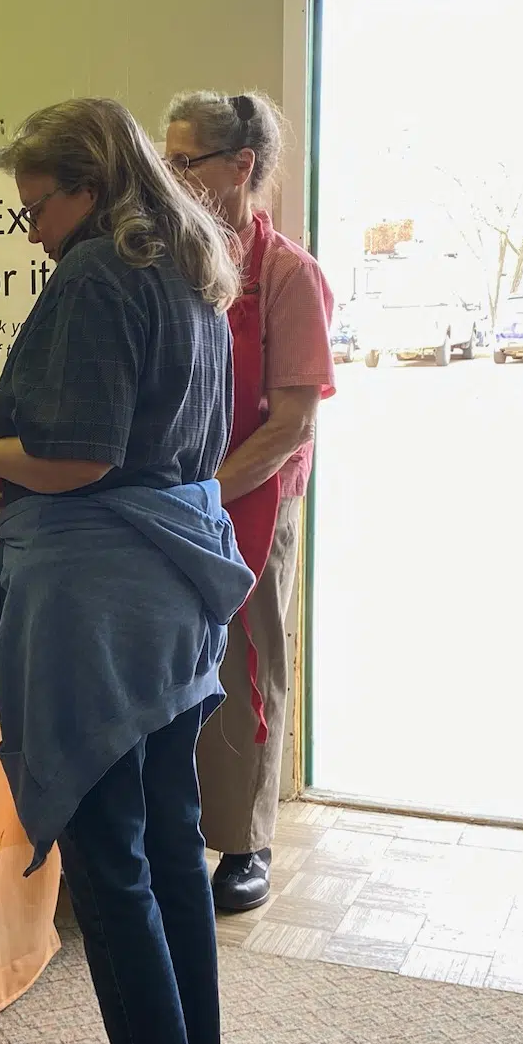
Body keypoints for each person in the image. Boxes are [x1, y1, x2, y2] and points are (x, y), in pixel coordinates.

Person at [0, 98, 253, 1044]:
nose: (32, 232)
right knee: (168, 835)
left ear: (85, 186)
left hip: (100, 589)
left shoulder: (94, 274)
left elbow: (73, 456)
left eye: (36, 209)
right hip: (173, 577)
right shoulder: (190, 266)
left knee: (105, 850)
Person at [163, 90, 336, 913]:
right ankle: (175, 825)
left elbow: (292, 423)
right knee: (175, 671)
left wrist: (209, 491)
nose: (170, 176)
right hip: (178, 500)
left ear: (241, 167)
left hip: (256, 502)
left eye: (184, 160)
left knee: (248, 662)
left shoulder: (289, 275)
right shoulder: (174, 263)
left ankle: (245, 840)